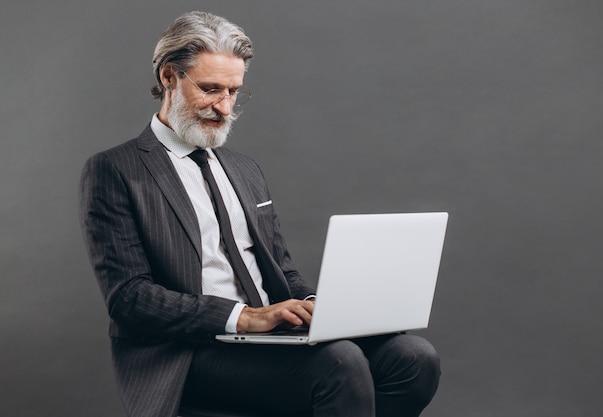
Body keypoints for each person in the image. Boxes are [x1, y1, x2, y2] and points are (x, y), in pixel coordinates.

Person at [79, 11, 440, 417]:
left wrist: (316, 306)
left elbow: (280, 268)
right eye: (211, 89)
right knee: (339, 363)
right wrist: (243, 318)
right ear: (168, 77)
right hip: (189, 351)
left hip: (270, 336)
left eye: (235, 91)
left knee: (413, 356)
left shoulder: (245, 169)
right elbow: (129, 299)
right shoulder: (116, 169)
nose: (224, 106)